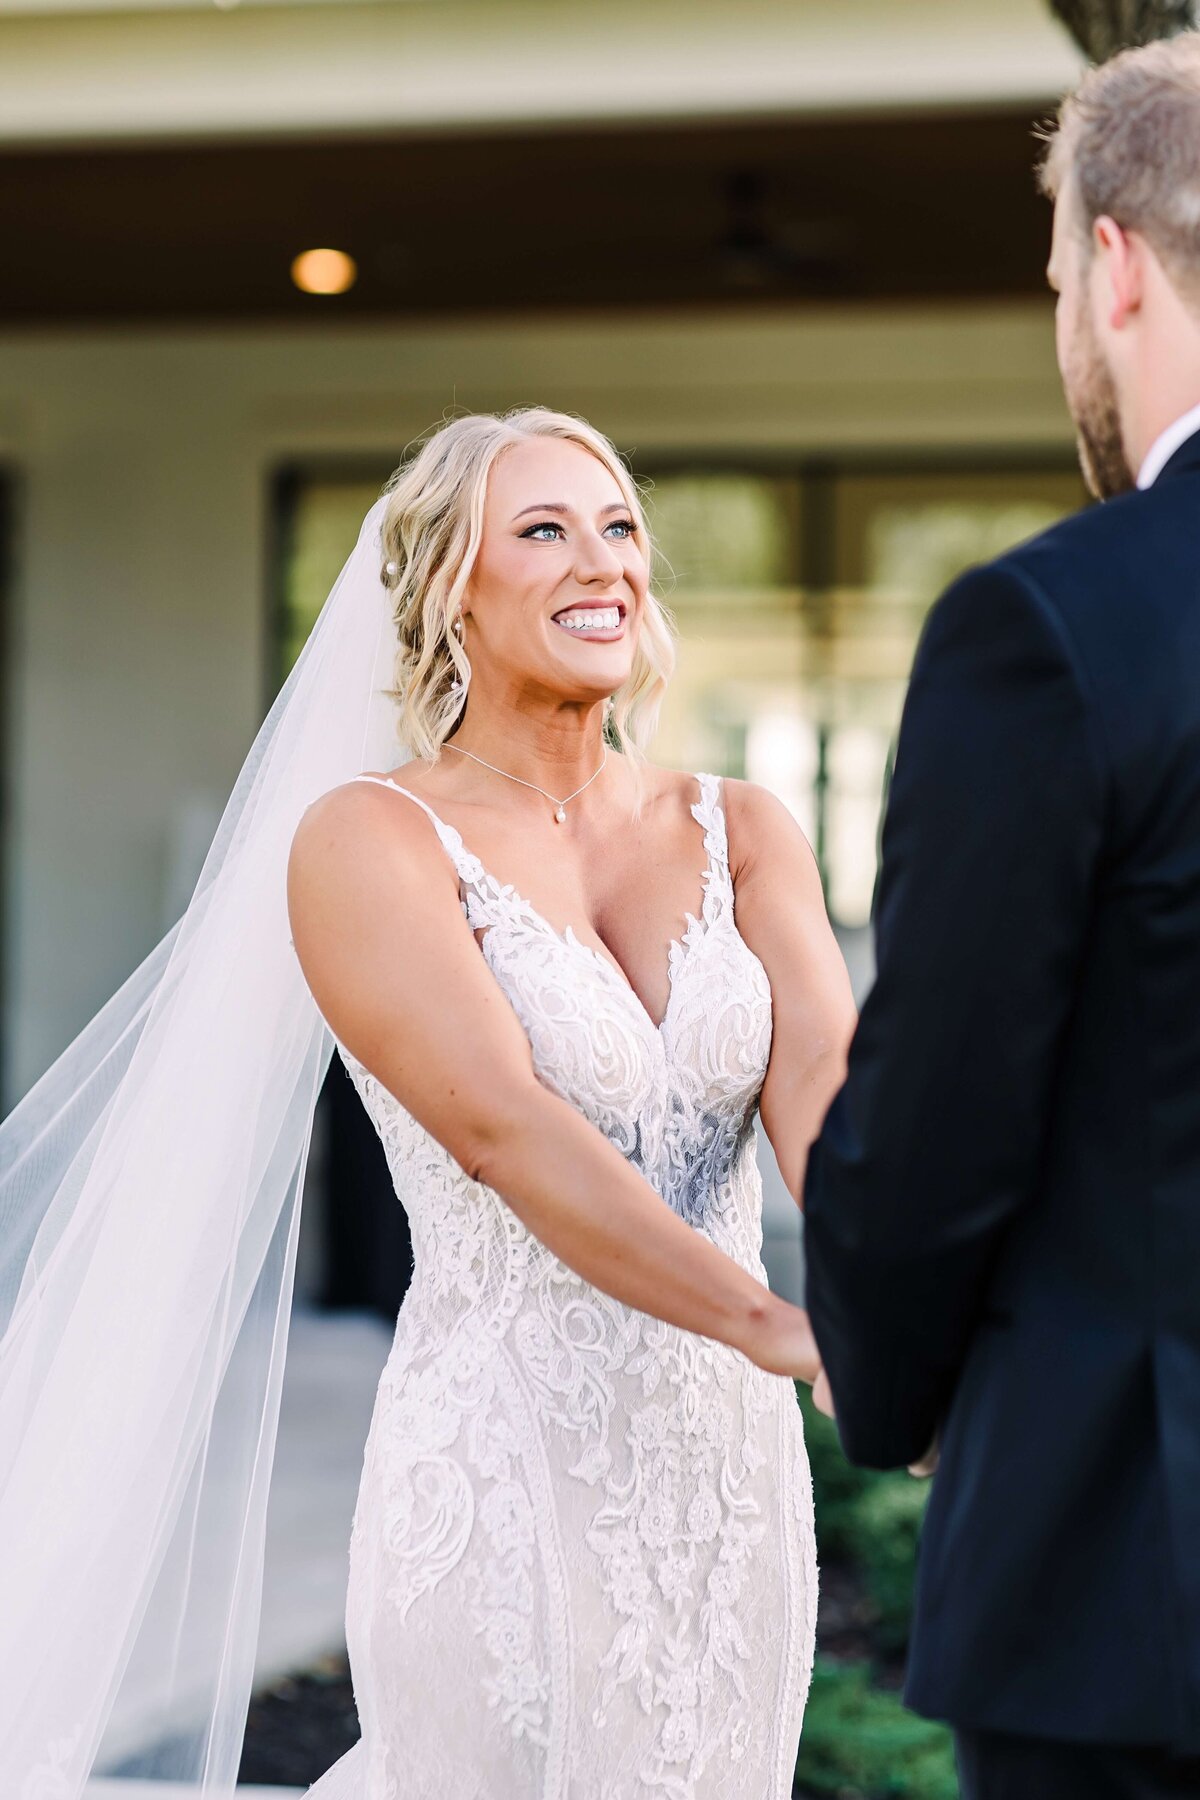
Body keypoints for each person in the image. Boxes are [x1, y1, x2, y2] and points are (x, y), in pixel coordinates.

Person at [285, 407, 857, 1796]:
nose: (600, 565)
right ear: (446, 592)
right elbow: (506, 1131)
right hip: (506, 1469)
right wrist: (785, 1328)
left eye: (619, 531)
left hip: (729, 1481)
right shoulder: (370, 840)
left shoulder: (746, 829)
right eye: (543, 530)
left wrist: (908, 1309)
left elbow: (837, 1108)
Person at [802, 33, 1200, 1800]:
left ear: (1114, 263)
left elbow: (943, 1109)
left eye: (1053, 276)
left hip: (1140, 1572)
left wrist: (888, 1386)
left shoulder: (1053, 628)